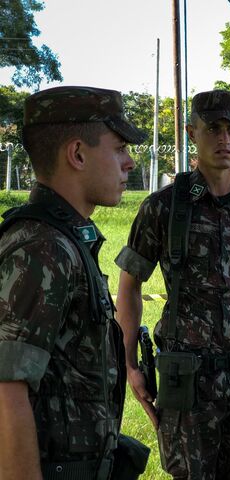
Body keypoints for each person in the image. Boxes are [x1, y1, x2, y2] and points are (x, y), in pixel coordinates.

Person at [115, 89, 230, 479]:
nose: (224, 139)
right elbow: (128, 285)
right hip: (186, 385)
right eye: (213, 128)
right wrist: (129, 364)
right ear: (192, 132)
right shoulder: (162, 208)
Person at [0, 86, 145, 479]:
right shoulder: (41, 248)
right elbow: (6, 391)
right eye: (118, 148)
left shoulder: (65, 240)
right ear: (78, 154)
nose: (129, 162)